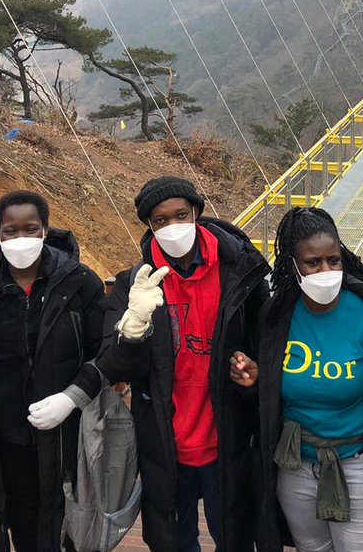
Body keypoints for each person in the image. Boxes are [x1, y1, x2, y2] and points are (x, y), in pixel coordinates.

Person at [29, 176, 269, 552]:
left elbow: (265, 343)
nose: (172, 227)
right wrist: (133, 329)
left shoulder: (240, 273)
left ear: (197, 214)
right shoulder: (134, 284)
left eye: (181, 215)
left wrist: (254, 377)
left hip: (228, 441)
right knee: (173, 541)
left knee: (236, 537)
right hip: (164, 444)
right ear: (150, 226)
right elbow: (116, 361)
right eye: (160, 220)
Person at [230, 207, 363, 552]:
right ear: (293, 265)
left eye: (333, 260)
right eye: (312, 262)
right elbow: (272, 391)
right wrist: (256, 382)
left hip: (357, 465)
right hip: (295, 466)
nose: (325, 271)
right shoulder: (277, 317)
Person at [0, 190, 106, 552]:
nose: (20, 239)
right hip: (4, 442)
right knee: (22, 529)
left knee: (72, 532)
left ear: (46, 230)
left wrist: (71, 397)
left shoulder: (80, 286)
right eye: (10, 231)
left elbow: (104, 353)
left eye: (30, 229)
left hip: (68, 440)